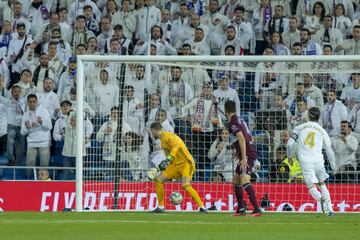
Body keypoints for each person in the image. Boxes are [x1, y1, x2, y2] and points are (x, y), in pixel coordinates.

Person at [287, 107, 336, 216]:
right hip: (318, 160)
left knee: (311, 186)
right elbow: (329, 149)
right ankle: (330, 210)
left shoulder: (298, 128)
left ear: (308, 115)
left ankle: (320, 199)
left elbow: (290, 143)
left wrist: (289, 156)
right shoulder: (322, 130)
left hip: (305, 160)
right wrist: (333, 165)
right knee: (322, 184)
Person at [149, 122, 207, 213]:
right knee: (159, 180)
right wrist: (158, 169)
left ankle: (202, 207)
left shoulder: (168, 135)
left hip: (185, 164)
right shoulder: (162, 142)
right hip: (175, 165)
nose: (151, 134)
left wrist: (168, 159)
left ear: (153, 130)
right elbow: (169, 158)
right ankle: (160, 207)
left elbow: (176, 146)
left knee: (185, 185)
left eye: (151, 132)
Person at [224, 100, 262, 216]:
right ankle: (241, 209)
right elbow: (247, 135)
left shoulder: (233, 122)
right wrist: (239, 152)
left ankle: (257, 209)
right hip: (247, 151)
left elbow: (240, 137)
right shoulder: (240, 119)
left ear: (225, 110)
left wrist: (244, 156)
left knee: (245, 179)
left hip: (248, 154)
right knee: (236, 179)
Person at [20, 94, 52, 178]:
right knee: (29, 165)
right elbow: (22, 132)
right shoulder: (25, 115)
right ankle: (29, 182)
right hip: (31, 143)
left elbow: (50, 126)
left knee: (44, 166)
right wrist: (27, 128)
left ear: (36, 102)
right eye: (30, 102)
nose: (32, 103)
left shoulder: (44, 111)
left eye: (34, 102)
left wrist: (42, 122)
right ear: (27, 103)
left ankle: (44, 182)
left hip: (44, 142)